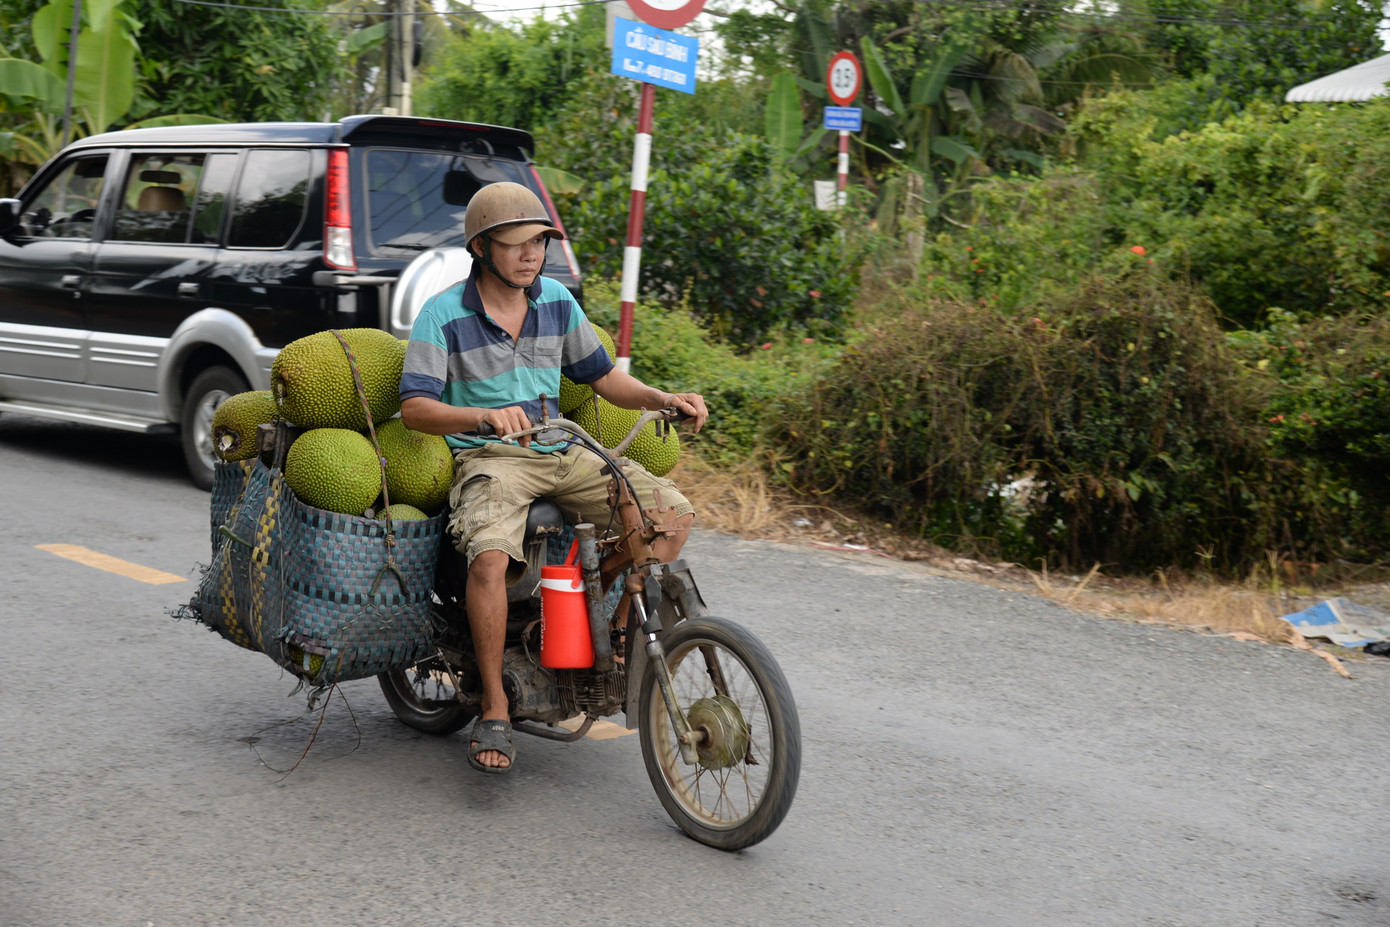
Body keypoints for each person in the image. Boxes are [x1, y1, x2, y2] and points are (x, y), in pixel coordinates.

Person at [399, 181, 708, 774]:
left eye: (539, 242)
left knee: (670, 517)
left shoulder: (557, 302)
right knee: (489, 558)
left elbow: (604, 378)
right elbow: (415, 408)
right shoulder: (442, 314)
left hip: (561, 448)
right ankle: (494, 705)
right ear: (482, 248)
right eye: (517, 244)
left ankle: (614, 631)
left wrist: (663, 397)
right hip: (491, 458)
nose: (531, 254)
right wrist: (481, 416)